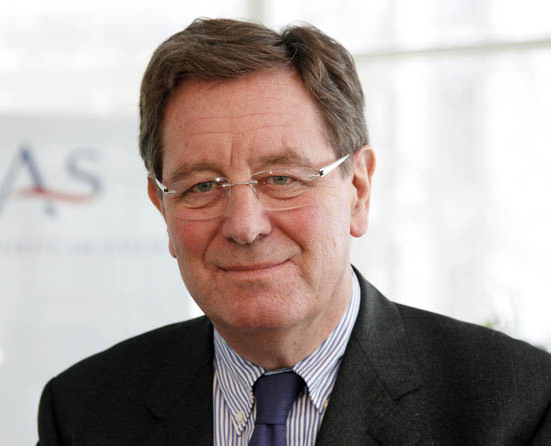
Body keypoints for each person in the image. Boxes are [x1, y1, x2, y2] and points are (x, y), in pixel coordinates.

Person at [37, 18, 551, 445]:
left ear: (358, 190)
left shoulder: (518, 405)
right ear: (163, 209)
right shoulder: (84, 413)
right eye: (202, 186)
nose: (244, 226)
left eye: (282, 179)